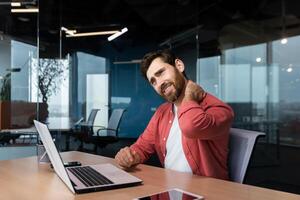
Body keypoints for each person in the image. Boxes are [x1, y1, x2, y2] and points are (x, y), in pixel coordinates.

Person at [115, 49, 234, 180]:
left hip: (205, 193)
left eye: (161, 73)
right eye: (153, 81)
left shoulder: (219, 109)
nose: (159, 83)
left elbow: (190, 127)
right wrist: (129, 156)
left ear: (179, 65)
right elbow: (142, 147)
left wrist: (189, 97)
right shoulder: (162, 111)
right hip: (168, 189)